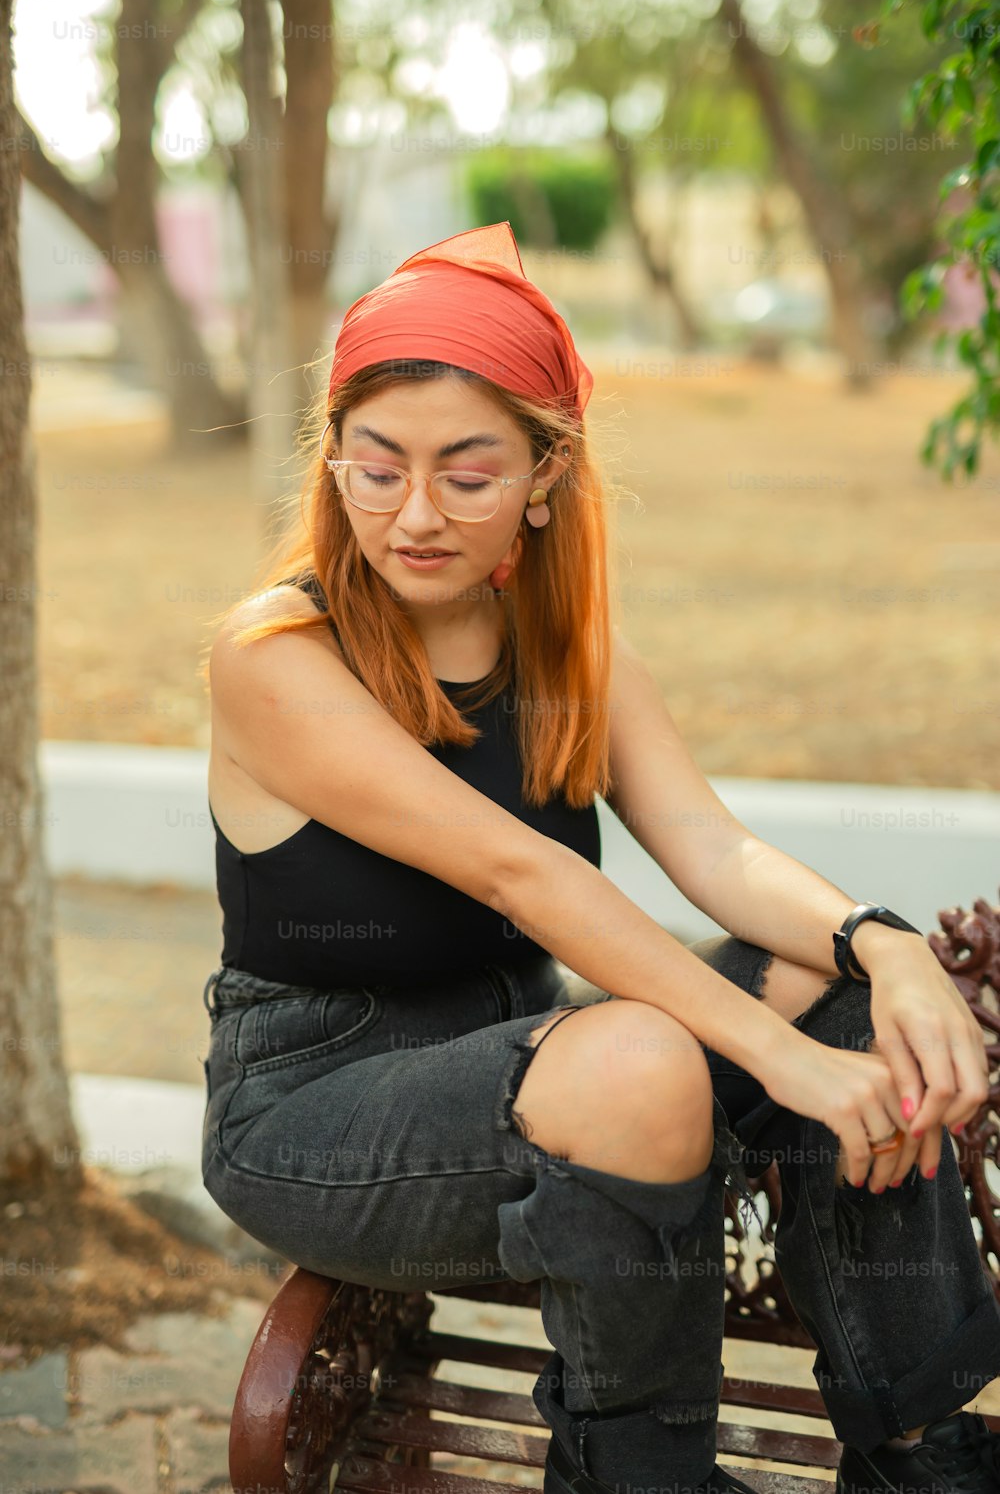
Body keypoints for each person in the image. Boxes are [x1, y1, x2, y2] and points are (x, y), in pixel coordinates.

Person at [198, 221, 1000, 1494]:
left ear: (543, 471)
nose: (413, 514)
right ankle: (637, 1472)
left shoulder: (565, 645)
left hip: (538, 1059)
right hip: (318, 1107)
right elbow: (530, 878)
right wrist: (771, 1059)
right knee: (645, 1055)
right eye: (377, 468)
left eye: (467, 475)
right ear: (332, 458)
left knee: (841, 999)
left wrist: (885, 944)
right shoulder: (273, 658)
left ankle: (920, 1451)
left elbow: (718, 853)